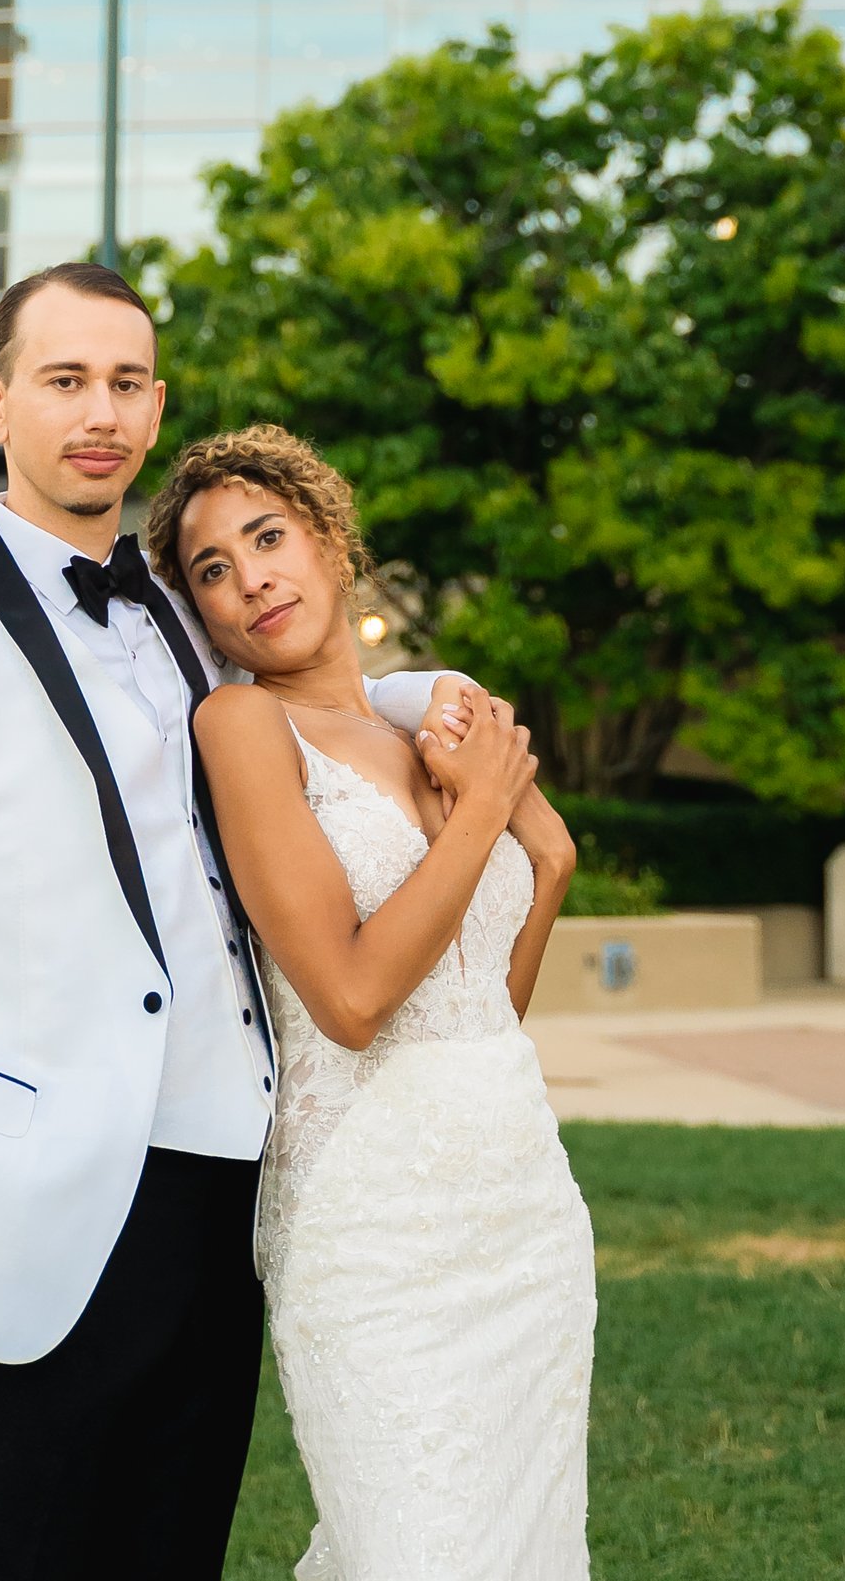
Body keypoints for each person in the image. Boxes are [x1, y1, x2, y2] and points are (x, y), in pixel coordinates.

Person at [0, 262, 475, 1581]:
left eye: (126, 382)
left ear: (157, 399)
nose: (99, 411)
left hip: (223, 1192)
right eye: (64, 380)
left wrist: (431, 704)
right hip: (24, 1205)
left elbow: (312, 693)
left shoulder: (186, 614)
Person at [145, 426, 592, 1581]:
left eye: (267, 537)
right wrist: (484, 815)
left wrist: (547, 863)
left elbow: (477, 1010)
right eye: (211, 569)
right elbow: (348, 999)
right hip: (370, 1224)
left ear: (332, 543)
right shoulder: (243, 726)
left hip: (521, 1205)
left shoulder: (424, 728)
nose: (249, 578)